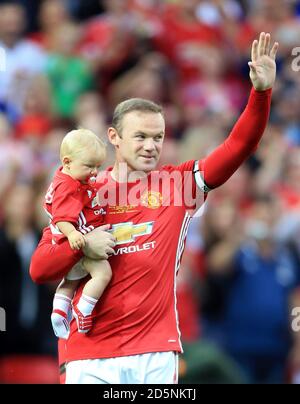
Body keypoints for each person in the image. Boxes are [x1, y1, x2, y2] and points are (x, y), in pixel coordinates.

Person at [30, 32, 278, 384]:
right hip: (88, 354)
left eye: (158, 137)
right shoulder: (81, 191)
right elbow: (40, 269)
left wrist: (261, 93)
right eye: (141, 137)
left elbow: (237, 147)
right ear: (114, 137)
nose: (151, 146)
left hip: (155, 352)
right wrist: (82, 243)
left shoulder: (178, 186)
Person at [44, 129, 112, 339]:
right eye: (89, 166)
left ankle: (58, 311)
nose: (94, 172)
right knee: (103, 273)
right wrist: (73, 234)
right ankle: (84, 309)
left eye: (97, 167)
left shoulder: (64, 177)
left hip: (65, 241)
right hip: (76, 240)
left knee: (71, 281)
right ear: (67, 162)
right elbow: (62, 217)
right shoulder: (69, 187)